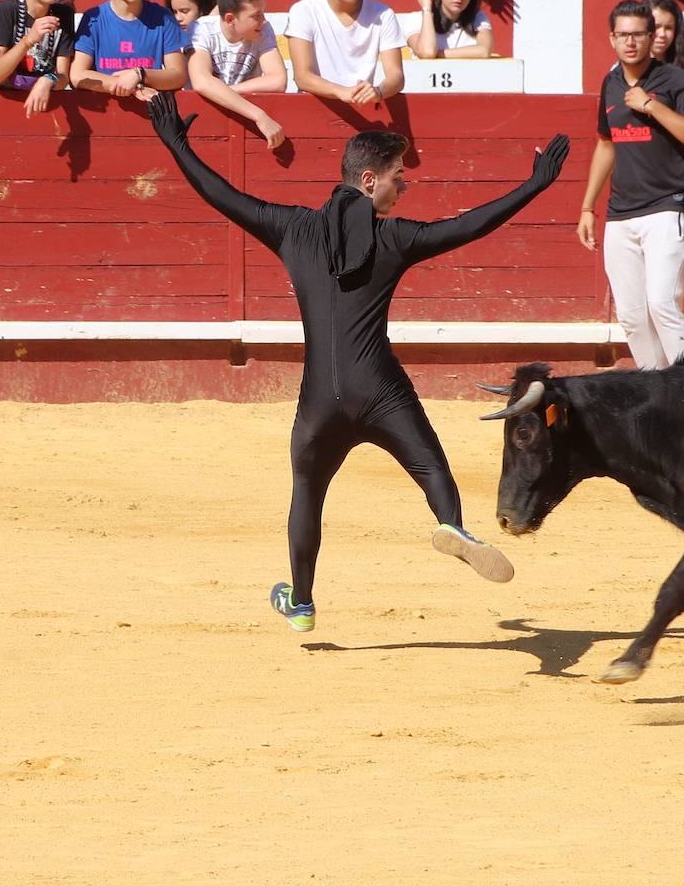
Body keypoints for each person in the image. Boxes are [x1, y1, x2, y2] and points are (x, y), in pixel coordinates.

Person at [146, 91, 570, 631]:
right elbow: (469, 227)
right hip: (381, 391)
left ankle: (300, 602)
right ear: (369, 181)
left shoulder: (291, 228)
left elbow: (220, 194)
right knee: (429, 465)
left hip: (319, 399)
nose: (404, 184)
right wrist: (535, 185)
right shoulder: (395, 237)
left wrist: (175, 142)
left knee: (308, 492)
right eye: (398, 175)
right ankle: (453, 524)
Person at [577, 0, 684, 370]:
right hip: (621, 212)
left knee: (663, 304)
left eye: (638, 34)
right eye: (623, 35)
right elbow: (607, 144)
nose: (630, 42)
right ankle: (658, 394)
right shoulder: (611, 82)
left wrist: (651, 105)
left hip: (667, 206)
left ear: (652, 37)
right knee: (633, 317)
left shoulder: (676, 80)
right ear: (611, 38)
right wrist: (588, 206)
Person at [286, 0, 405, 105]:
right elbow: (302, 77)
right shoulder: (304, 10)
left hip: (365, 110)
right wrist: (341, 92)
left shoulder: (384, 14)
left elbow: (396, 76)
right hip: (312, 110)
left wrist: (379, 91)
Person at [69, 0, 186, 101]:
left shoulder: (163, 18)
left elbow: (178, 75)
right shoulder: (93, 19)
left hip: (150, 116)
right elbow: (77, 75)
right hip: (104, 117)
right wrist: (131, 86)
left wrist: (138, 74)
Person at [188, 0, 287, 149]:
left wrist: (224, 92)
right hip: (202, 126)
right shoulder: (201, 28)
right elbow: (201, 81)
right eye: (256, 16)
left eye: (263, 12)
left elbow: (278, 80)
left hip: (244, 124)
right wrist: (258, 115)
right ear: (230, 19)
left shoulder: (263, 29)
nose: (263, 20)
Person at [0, 0, 75, 114]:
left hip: (47, 107)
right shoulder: (6, 10)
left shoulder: (63, 14)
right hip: (5, 108)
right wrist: (28, 40)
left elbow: (63, 76)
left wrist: (47, 80)